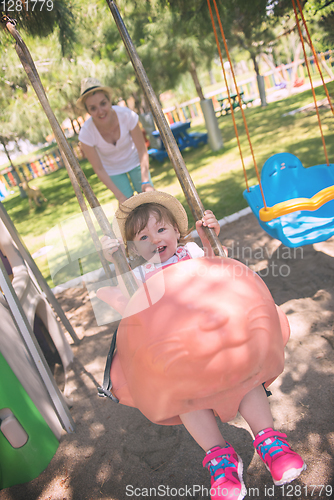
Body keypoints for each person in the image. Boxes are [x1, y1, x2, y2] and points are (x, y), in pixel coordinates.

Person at [98, 191, 306, 500]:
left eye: (161, 229)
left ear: (176, 232)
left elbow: (220, 269)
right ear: (134, 249)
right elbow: (130, 306)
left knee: (247, 379)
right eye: (143, 237)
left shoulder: (191, 251)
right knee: (186, 402)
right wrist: (113, 260)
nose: (154, 239)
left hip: (219, 337)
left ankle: (270, 443)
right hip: (178, 356)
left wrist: (210, 238)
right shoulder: (139, 276)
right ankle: (221, 459)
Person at [77, 78, 154, 204]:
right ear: (88, 111)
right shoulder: (86, 133)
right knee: (128, 208)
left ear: (109, 101)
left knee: (150, 200)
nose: (100, 111)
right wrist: (120, 196)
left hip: (135, 163)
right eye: (93, 108)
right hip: (113, 171)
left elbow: (142, 149)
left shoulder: (127, 115)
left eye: (103, 103)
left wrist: (145, 182)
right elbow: (99, 169)